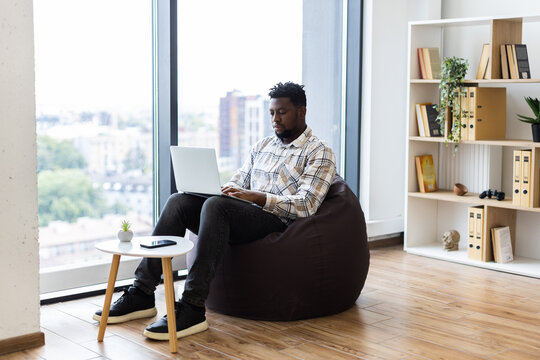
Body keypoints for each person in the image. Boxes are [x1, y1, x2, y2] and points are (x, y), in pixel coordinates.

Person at [93, 81, 337, 340]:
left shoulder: (319, 152)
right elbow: (240, 180)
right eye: (271, 113)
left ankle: (192, 307)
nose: (275, 119)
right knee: (179, 201)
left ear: (301, 111)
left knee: (216, 206)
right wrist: (223, 189)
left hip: (276, 220)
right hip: (243, 213)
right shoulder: (263, 145)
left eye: (282, 112)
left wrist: (258, 197)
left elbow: (307, 205)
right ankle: (142, 293)